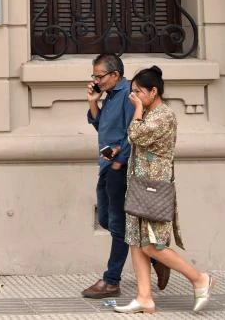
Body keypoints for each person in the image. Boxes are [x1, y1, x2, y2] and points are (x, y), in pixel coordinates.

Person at [113, 66, 215, 314]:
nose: (133, 96)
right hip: (140, 187)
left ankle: (200, 278)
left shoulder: (163, 116)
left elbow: (135, 135)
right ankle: (144, 298)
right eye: (132, 91)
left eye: (138, 91)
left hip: (153, 189)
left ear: (153, 91)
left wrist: (136, 109)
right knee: (136, 242)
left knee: (152, 245)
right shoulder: (150, 113)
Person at [82, 54, 170, 300]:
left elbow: (135, 130)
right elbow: (102, 127)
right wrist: (93, 102)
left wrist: (120, 161)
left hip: (119, 167)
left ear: (115, 75)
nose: (96, 80)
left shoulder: (129, 94)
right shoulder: (109, 95)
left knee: (118, 223)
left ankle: (111, 280)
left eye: (100, 76)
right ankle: (156, 256)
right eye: (94, 76)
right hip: (106, 164)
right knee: (107, 220)